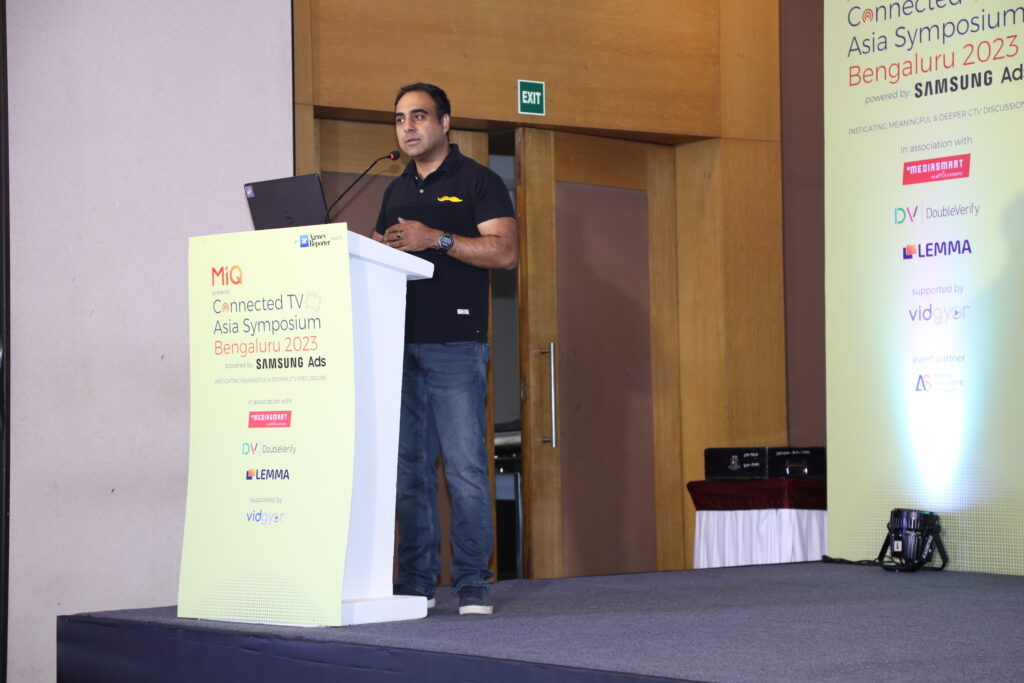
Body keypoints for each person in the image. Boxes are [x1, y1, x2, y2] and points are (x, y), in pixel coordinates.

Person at [374, 82, 517, 615]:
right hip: (399, 344)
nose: (408, 127)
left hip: (457, 344)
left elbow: (504, 253)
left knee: (464, 470)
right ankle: (415, 582)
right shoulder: (394, 189)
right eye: (399, 119)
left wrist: (436, 237)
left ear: (445, 122)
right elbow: (386, 256)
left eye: (418, 116)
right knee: (410, 470)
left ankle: (473, 581)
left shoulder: (478, 181)